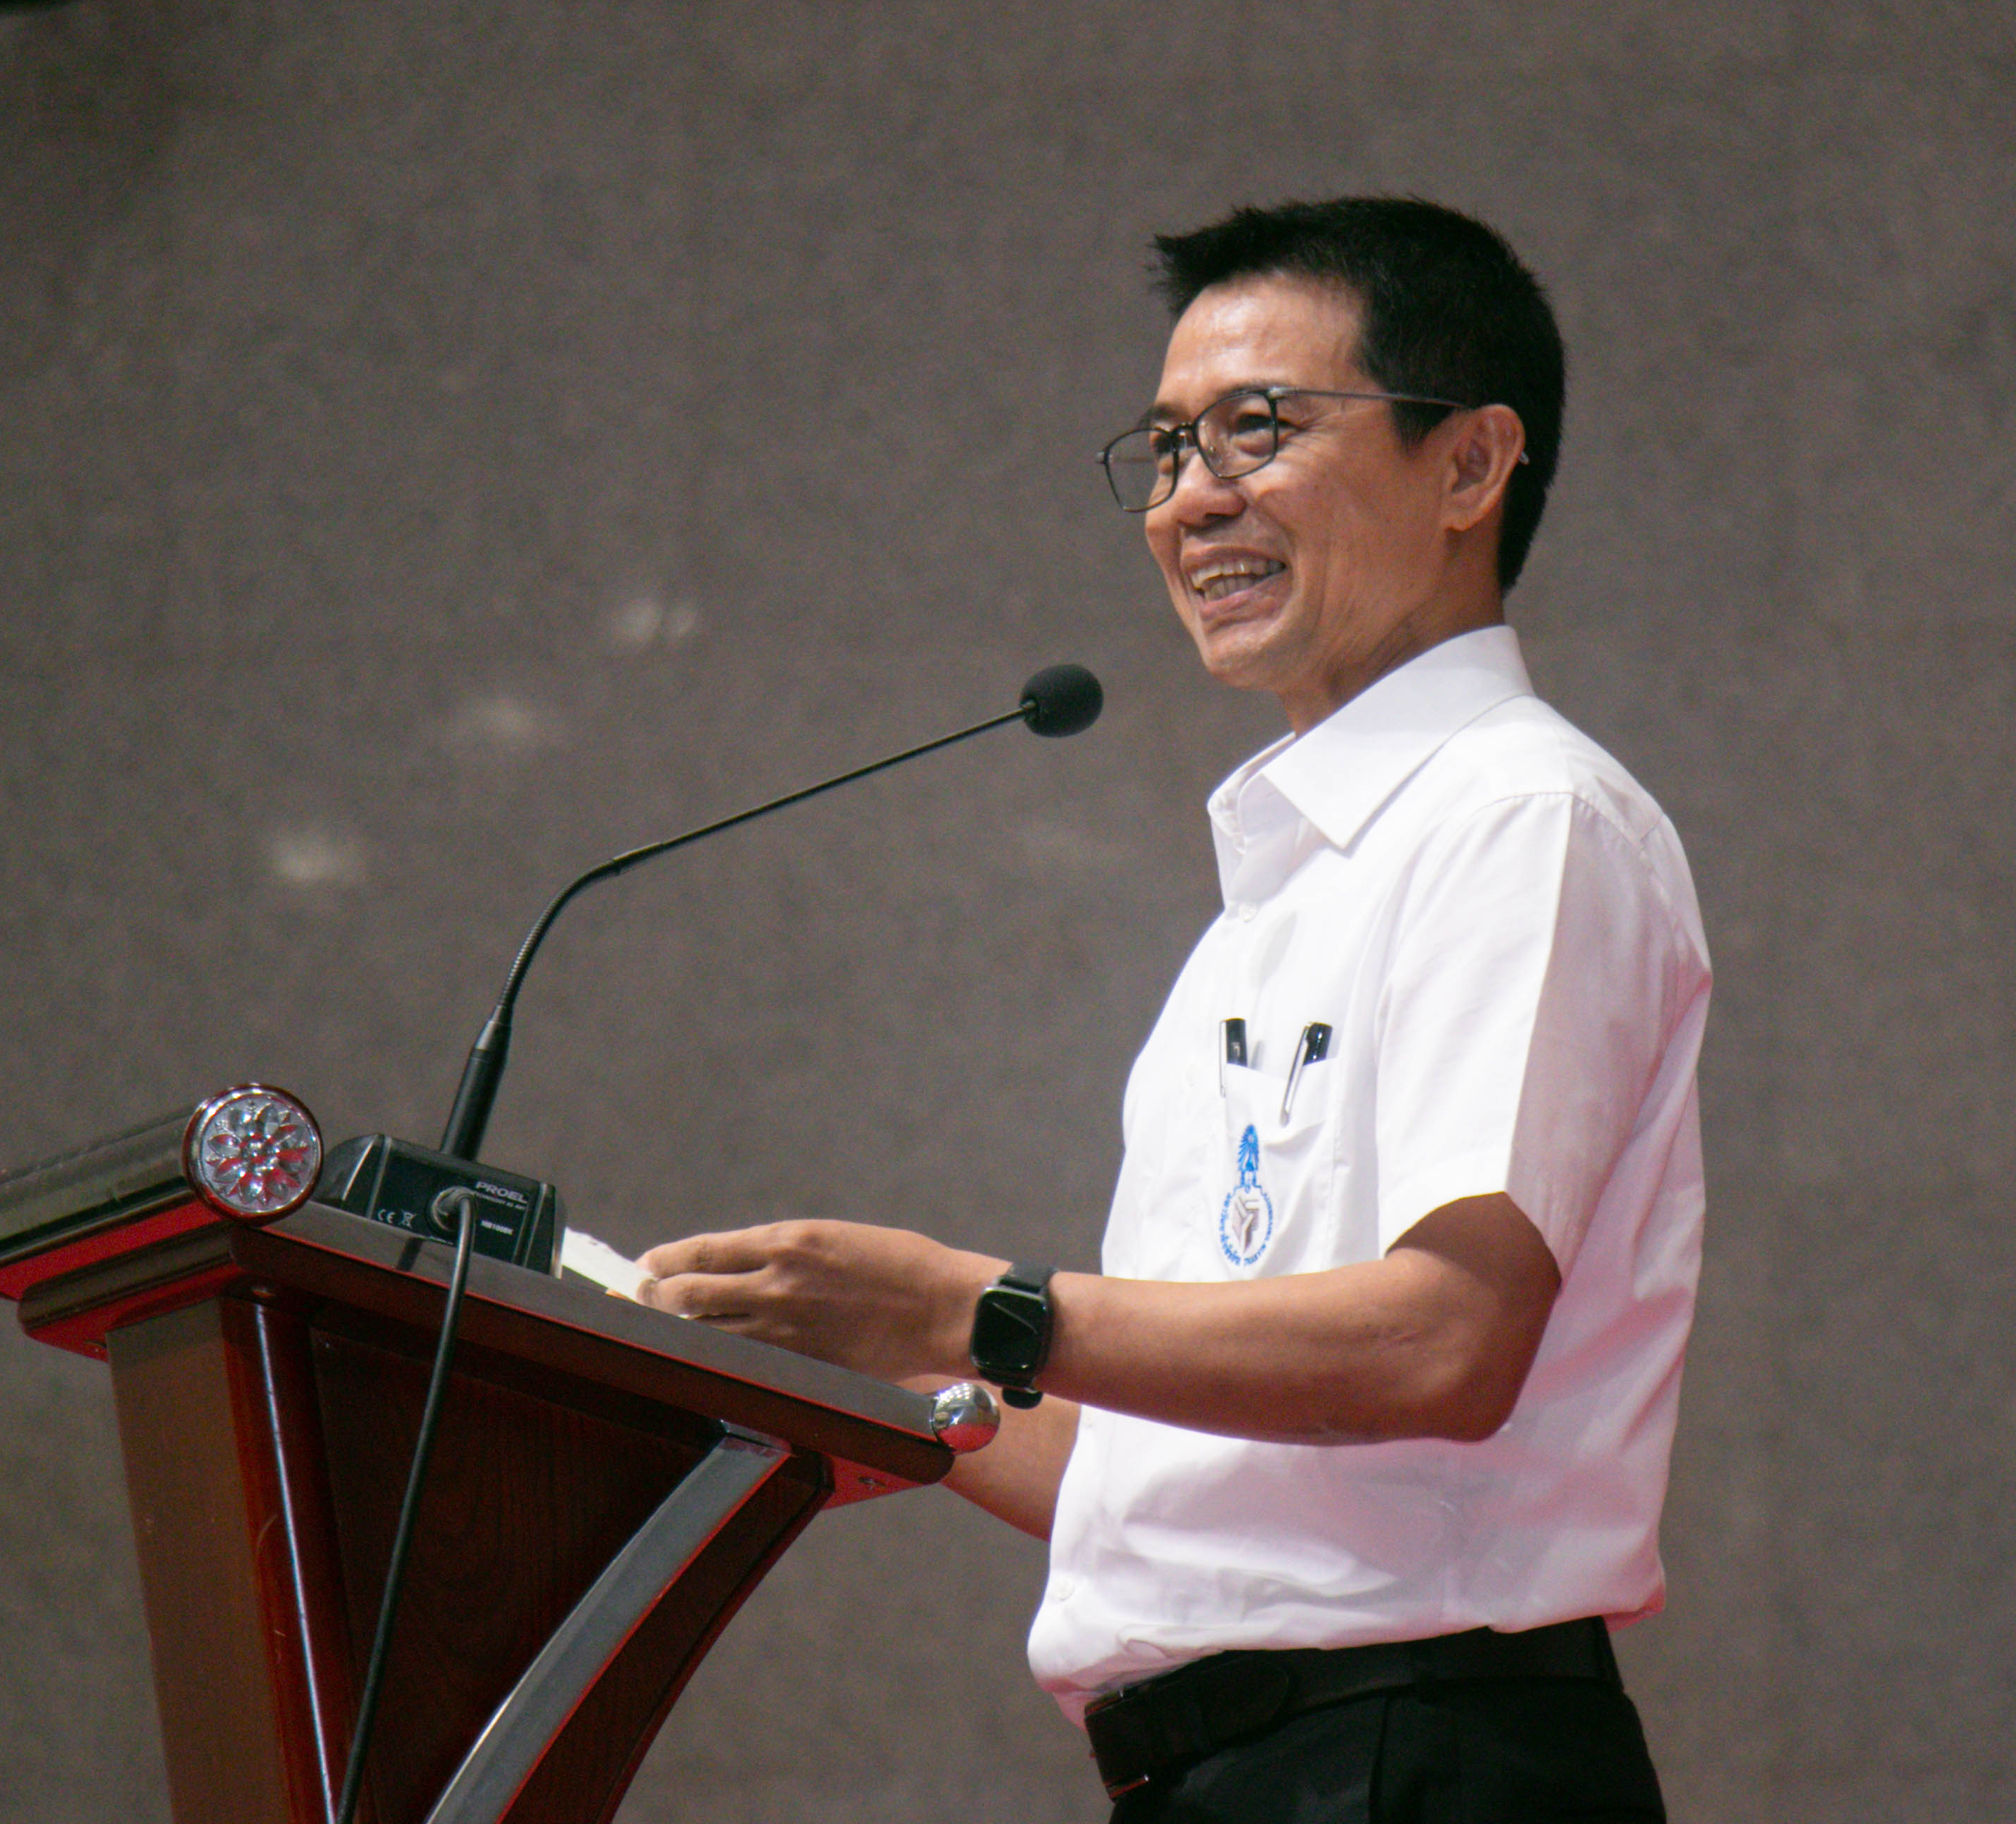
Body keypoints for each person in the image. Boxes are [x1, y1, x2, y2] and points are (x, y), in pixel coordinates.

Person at [642, 197, 1710, 1820]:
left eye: (1257, 430)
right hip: (1248, 1773)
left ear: (1470, 466)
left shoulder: (1519, 817)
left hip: (1410, 1762)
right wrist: (824, 1359)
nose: (1190, 500)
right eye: (1165, 449)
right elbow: (1169, 1475)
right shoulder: (1284, 891)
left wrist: (972, 1308)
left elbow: (1444, 1340)